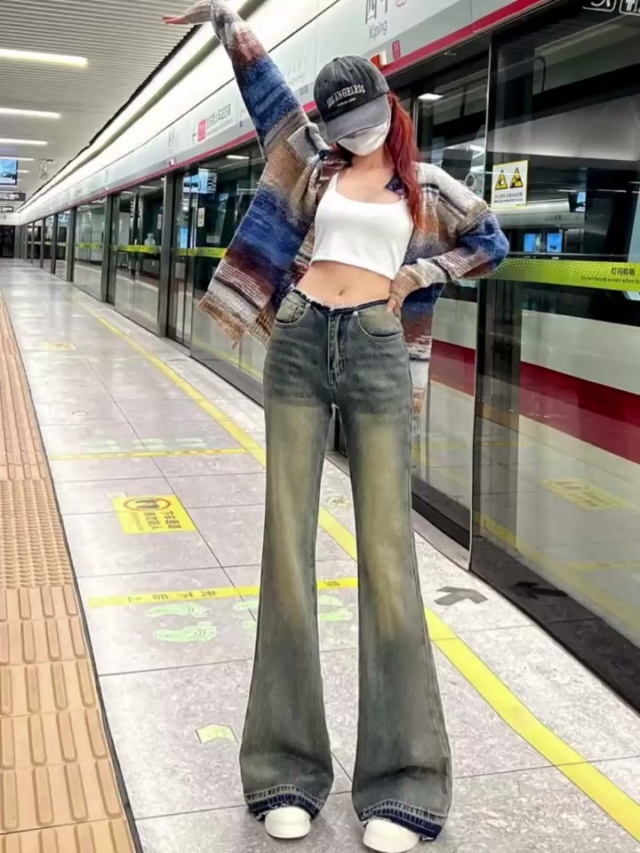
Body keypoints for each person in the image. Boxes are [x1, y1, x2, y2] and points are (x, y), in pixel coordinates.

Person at [165, 3, 508, 852]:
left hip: (380, 350)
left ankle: (405, 780)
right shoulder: (312, 164)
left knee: (389, 556)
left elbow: (492, 241)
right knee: (286, 549)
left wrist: (421, 271)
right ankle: (284, 770)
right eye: (341, 126)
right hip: (299, 339)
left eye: (365, 122)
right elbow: (266, 92)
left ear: (389, 107)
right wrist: (227, 22)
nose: (355, 138)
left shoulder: (427, 186)